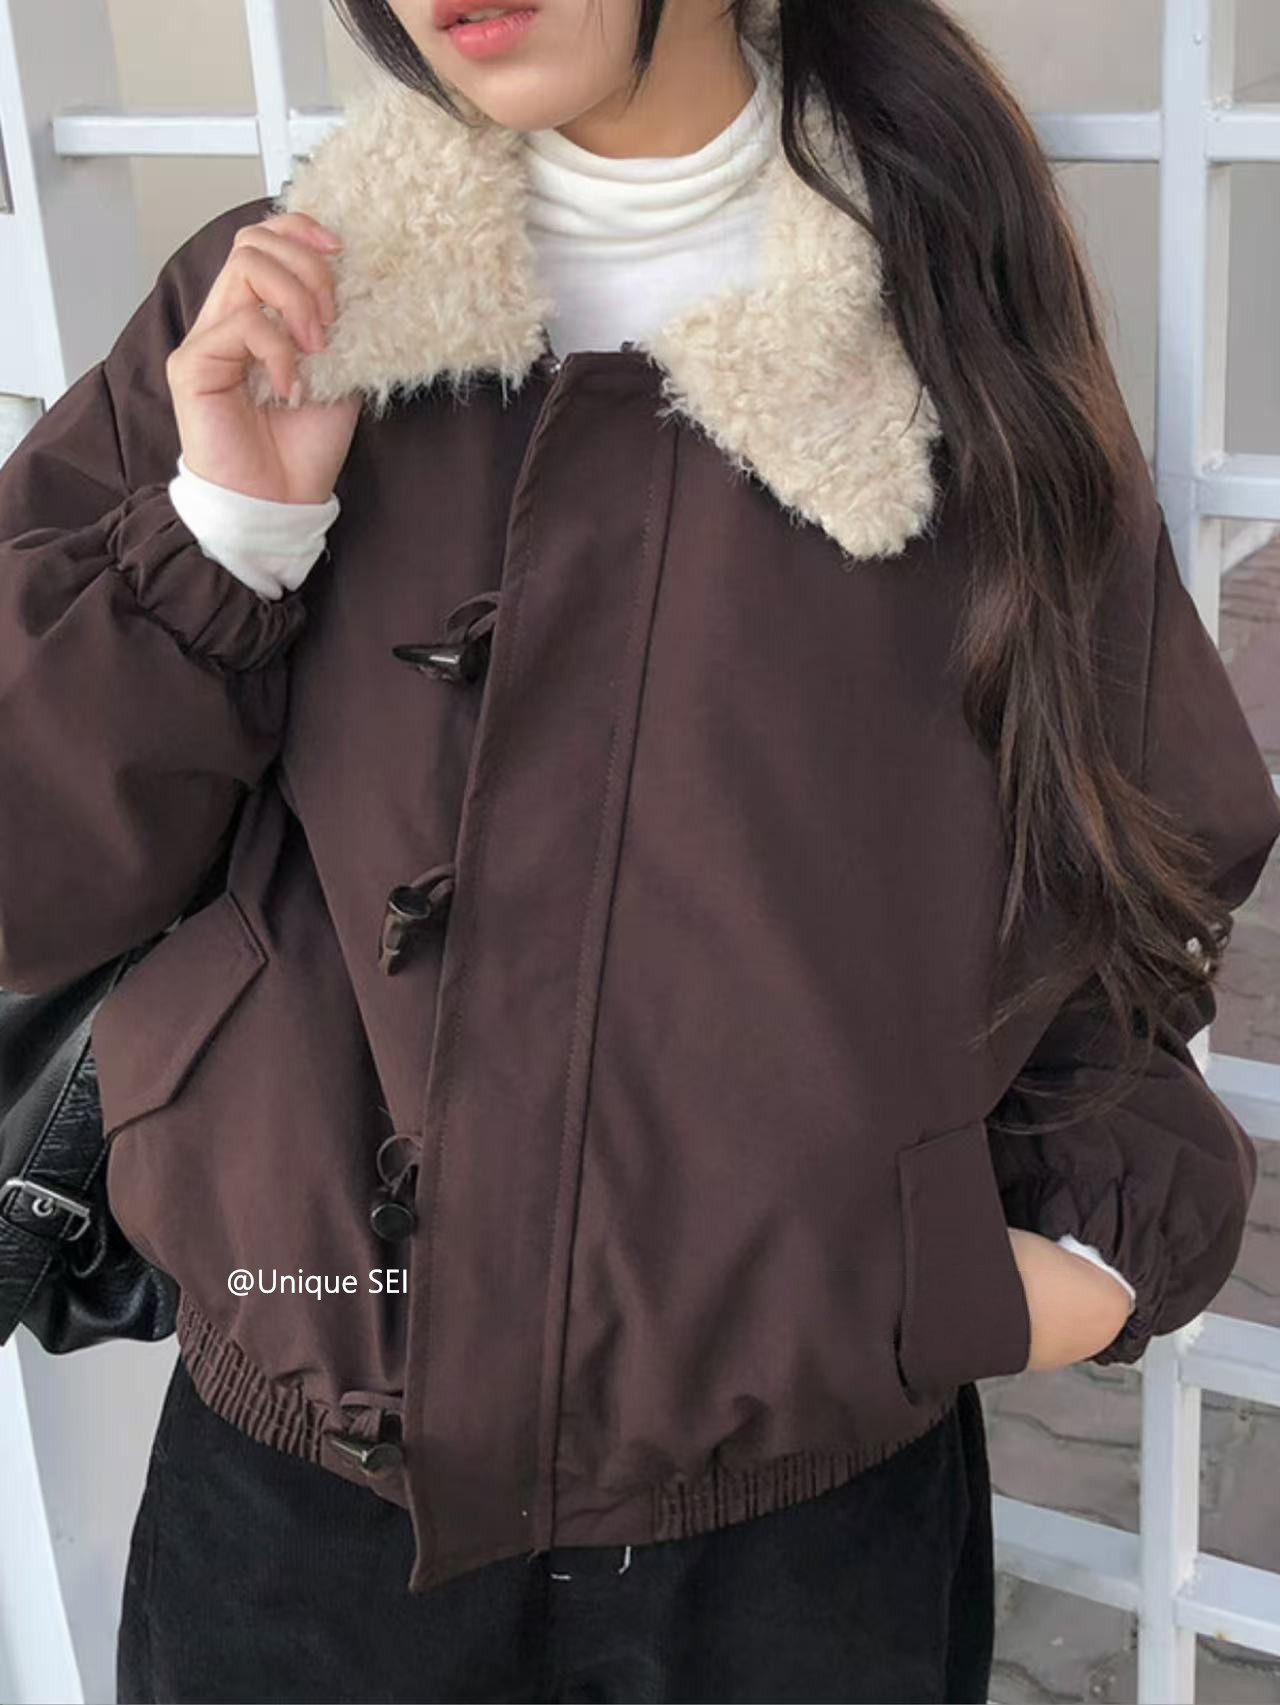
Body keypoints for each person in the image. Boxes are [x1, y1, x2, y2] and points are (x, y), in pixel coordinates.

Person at [0, 0, 1275, 1700]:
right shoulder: (285, 302)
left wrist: (1065, 1258)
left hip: (800, 1545)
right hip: (300, 1535)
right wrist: (227, 537)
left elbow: (1124, 832)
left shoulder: (942, 325)